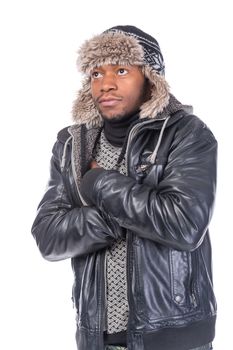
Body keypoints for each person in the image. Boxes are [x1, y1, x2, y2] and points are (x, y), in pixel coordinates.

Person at [31, 25, 217, 350]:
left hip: (174, 336)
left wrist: (98, 184)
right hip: (95, 340)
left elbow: (186, 224)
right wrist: (111, 218)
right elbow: (48, 236)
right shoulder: (73, 143)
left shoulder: (186, 134)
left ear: (150, 77)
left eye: (120, 69)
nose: (106, 84)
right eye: (96, 73)